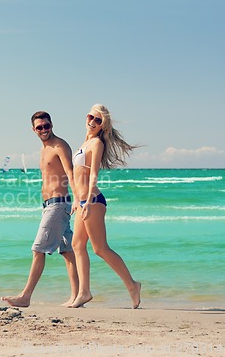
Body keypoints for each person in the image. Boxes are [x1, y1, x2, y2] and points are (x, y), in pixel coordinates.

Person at [1, 111, 79, 307]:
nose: (44, 130)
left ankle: (25, 297)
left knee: (38, 249)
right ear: (33, 130)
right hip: (50, 205)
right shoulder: (44, 149)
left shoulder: (59, 146)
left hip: (58, 204)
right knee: (67, 251)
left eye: (47, 126)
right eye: (40, 127)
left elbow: (70, 173)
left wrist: (78, 198)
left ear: (52, 124)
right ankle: (78, 297)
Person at [70, 104, 141, 309]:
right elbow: (77, 174)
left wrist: (89, 201)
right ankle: (84, 292)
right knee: (77, 245)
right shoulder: (86, 142)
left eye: (97, 120)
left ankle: (132, 285)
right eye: (90, 116)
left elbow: (93, 174)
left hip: (93, 201)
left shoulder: (97, 144)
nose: (92, 121)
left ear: (103, 126)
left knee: (100, 248)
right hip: (83, 201)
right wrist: (77, 199)